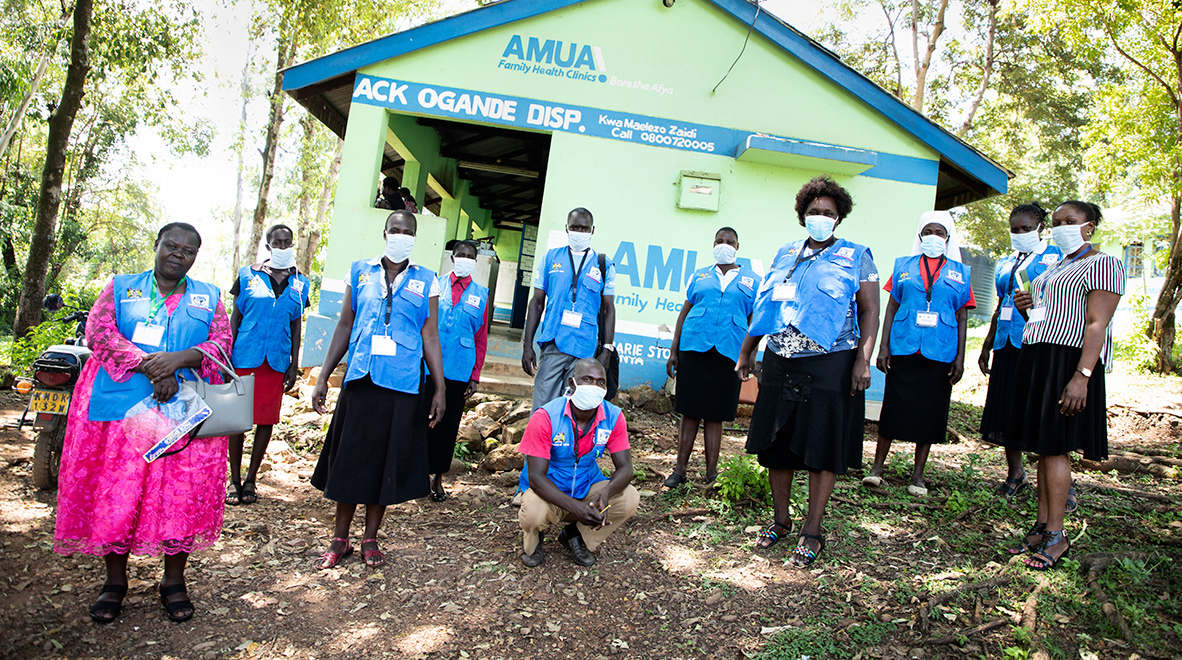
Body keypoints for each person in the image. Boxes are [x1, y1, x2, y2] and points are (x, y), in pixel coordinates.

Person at [53, 223, 233, 624]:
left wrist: (180, 359)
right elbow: (98, 332)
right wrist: (152, 366)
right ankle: (114, 583)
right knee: (119, 494)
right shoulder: (121, 287)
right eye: (171, 245)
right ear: (156, 246)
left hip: (182, 414)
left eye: (188, 250)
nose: (178, 254)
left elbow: (221, 343)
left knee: (178, 499)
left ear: (194, 258)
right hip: (121, 411)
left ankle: (173, 582)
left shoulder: (209, 297)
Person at [737, 176, 879, 566]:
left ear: (839, 218)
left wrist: (862, 360)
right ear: (803, 215)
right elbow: (766, 305)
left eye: (828, 213)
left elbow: (869, 310)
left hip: (831, 361)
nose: (820, 217)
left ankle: (812, 529)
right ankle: (780, 520)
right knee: (777, 443)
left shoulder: (858, 255)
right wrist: (747, 350)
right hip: (780, 359)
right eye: (814, 211)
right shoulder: (786, 253)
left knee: (822, 444)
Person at [309, 210, 446, 569]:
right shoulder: (359, 271)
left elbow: (430, 335)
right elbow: (344, 325)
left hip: (401, 384)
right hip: (361, 378)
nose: (402, 236)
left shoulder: (428, 280)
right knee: (351, 458)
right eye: (396, 230)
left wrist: (439, 388)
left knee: (386, 459)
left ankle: (370, 537)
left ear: (415, 238)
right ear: (385, 233)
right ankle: (340, 537)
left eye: (409, 232)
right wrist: (324, 376)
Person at [1006, 201, 1124, 570]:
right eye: (1056, 223)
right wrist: (1028, 305)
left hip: (1067, 361)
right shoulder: (1058, 264)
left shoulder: (1104, 263)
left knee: (1056, 448)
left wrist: (1082, 376)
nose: (1060, 228)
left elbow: (1095, 324)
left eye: (1069, 222)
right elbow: (1052, 312)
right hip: (1037, 357)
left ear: (1089, 227)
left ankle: (1057, 536)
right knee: (1042, 447)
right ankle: (1041, 526)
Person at [865, 211, 973, 497]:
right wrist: (883, 346)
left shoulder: (960, 273)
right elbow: (890, 307)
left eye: (939, 233)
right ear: (920, 236)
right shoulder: (903, 266)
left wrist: (960, 358)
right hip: (904, 346)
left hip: (940, 351)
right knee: (892, 409)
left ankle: (918, 475)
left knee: (930, 414)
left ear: (948, 239)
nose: (933, 237)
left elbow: (962, 317)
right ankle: (876, 469)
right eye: (928, 232)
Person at [516, 358, 639, 567]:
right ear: (572, 384)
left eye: (600, 382)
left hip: (586, 486)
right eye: (587, 379)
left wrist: (606, 492)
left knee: (629, 498)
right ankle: (535, 538)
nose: (594, 386)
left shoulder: (613, 416)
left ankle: (576, 536)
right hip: (548, 489)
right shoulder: (545, 416)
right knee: (534, 513)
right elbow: (536, 478)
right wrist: (576, 509)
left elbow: (626, 468)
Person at [978, 204, 1063, 497]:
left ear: (1041, 228)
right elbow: (1001, 302)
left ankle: (1061, 480)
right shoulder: (1005, 262)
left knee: (1039, 409)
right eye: (1015, 229)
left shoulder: (1056, 258)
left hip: (1040, 341)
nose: (1020, 234)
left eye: (1026, 229)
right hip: (1006, 342)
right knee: (1006, 408)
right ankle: (1015, 473)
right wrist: (987, 343)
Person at [664, 227, 759, 486]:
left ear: (738, 246)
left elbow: (755, 322)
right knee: (689, 410)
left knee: (716, 414)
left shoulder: (752, 280)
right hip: (694, 348)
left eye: (729, 241)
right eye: (719, 240)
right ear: (713, 244)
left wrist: (751, 356)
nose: (724, 245)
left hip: (729, 353)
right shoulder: (700, 275)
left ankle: (711, 473)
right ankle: (679, 471)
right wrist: (674, 350)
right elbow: (684, 313)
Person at [226, 224, 311, 505]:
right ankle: (233, 480)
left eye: (288, 242)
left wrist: (293, 364)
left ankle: (251, 480)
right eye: (278, 241)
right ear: (268, 244)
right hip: (244, 357)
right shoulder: (248, 275)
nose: (283, 246)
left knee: (265, 420)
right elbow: (235, 318)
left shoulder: (301, 282)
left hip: (276, 361)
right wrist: (226, 353)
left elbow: (296, 325)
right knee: (237, 421)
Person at [521, 207, 616, 411]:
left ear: (592, 230)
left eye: (584, 228)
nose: (579, 232)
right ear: (566, 228)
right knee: (543, 406)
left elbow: (608, 309)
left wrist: (607, 350)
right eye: (574, 227)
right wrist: (527, 344)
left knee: (575, 409)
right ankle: (540, 443)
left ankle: (568, 443)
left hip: (585, 349)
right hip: (554, 343)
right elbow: (537, 302)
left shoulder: (603, 264)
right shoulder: (550, 258)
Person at [422, 239, 489, 501]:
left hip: (460, 370)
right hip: (430, 365)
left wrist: (475, 375)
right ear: (452, 257)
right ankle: (418, 476)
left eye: (469, 255)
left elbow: (481, 338)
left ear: (474, 261)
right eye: (460, 254)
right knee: (424, 419)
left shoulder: (481, 294)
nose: (464, 258)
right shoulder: (434, 284)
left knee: (448, 425)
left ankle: (438, 478)